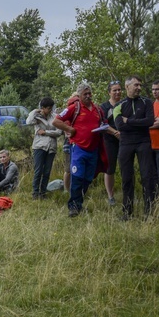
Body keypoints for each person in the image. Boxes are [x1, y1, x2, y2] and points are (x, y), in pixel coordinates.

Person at [53, 83, 108, 217]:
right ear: (80, 95)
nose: (88, 96)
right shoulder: (74, 108)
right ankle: (74, 207)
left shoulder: (98, 110)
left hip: (93, 149)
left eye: (90, 93)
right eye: (85, 94)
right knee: (77, 177)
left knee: (88, 179)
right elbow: (56, 121)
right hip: (78, 148)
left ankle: (79, 202)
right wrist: (69, 129)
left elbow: (104, 123)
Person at [114, 76, 157, 220]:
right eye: (136, 85)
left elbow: (150, 121)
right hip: (126, 143)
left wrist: (129, 121)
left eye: (140, 85)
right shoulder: (119, 105)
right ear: (127, 87)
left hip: (143, 142)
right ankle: (127, 212)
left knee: (147, 177)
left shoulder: (147, 102)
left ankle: (149, 212)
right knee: (127, 178)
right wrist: (139, 122)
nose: (139, 87)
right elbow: (120, 125)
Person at [26, 98, 63, 200]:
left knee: (47, 171)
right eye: (48, 108)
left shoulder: (55, 117)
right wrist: (34, 111)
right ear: (42, 108)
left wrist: (46, 132)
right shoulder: (36, 116)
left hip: (51, 147)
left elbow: (59, 132)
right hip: (39, 146)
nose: (50, 110)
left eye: (51, 108)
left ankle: (43, 192)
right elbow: (28, 121)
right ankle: (35, 192)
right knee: (38, 171)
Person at [100, 81, 123, 205]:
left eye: (119, 90)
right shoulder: (104, 107)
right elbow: (102, 124)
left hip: (125, 140)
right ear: (109, 92)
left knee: (126, 167)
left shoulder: (125, 104)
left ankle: (128, 193)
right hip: (109, 140)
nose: (117, 92)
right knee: (110, 169)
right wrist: (115, 133)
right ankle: (110, 196)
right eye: (115, 90)